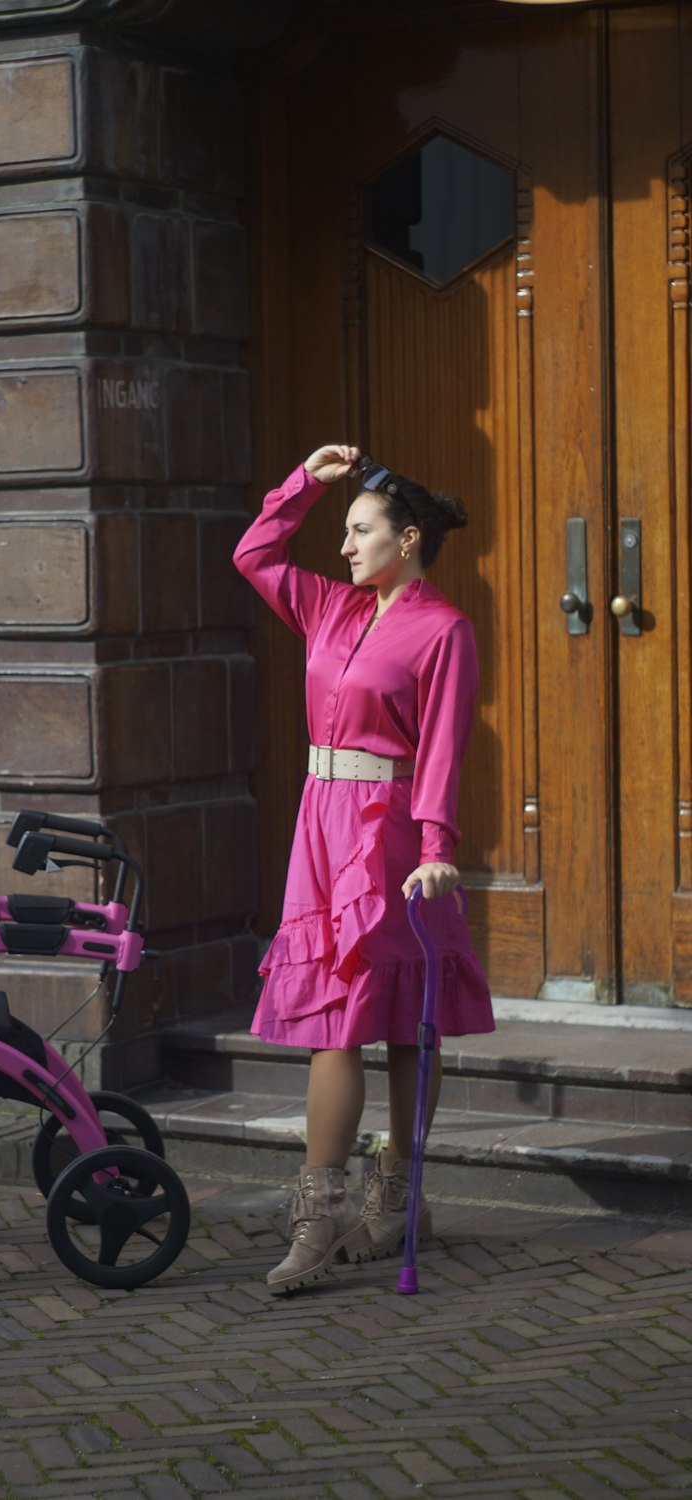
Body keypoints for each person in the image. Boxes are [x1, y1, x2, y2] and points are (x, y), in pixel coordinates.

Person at [233, 443, 493, 1295]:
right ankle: (321, 1217)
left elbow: (447, 750)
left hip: (390, 835)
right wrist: (306, 483)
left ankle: (395, 1196)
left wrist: (438, 850)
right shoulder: (329, 609)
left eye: (360, 530)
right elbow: (254, 554)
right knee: (336, 1019)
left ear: (407, 539)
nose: (344, 547)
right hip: (321, 824)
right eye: (344, 531)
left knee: (396, 1020)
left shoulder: (443, 629)